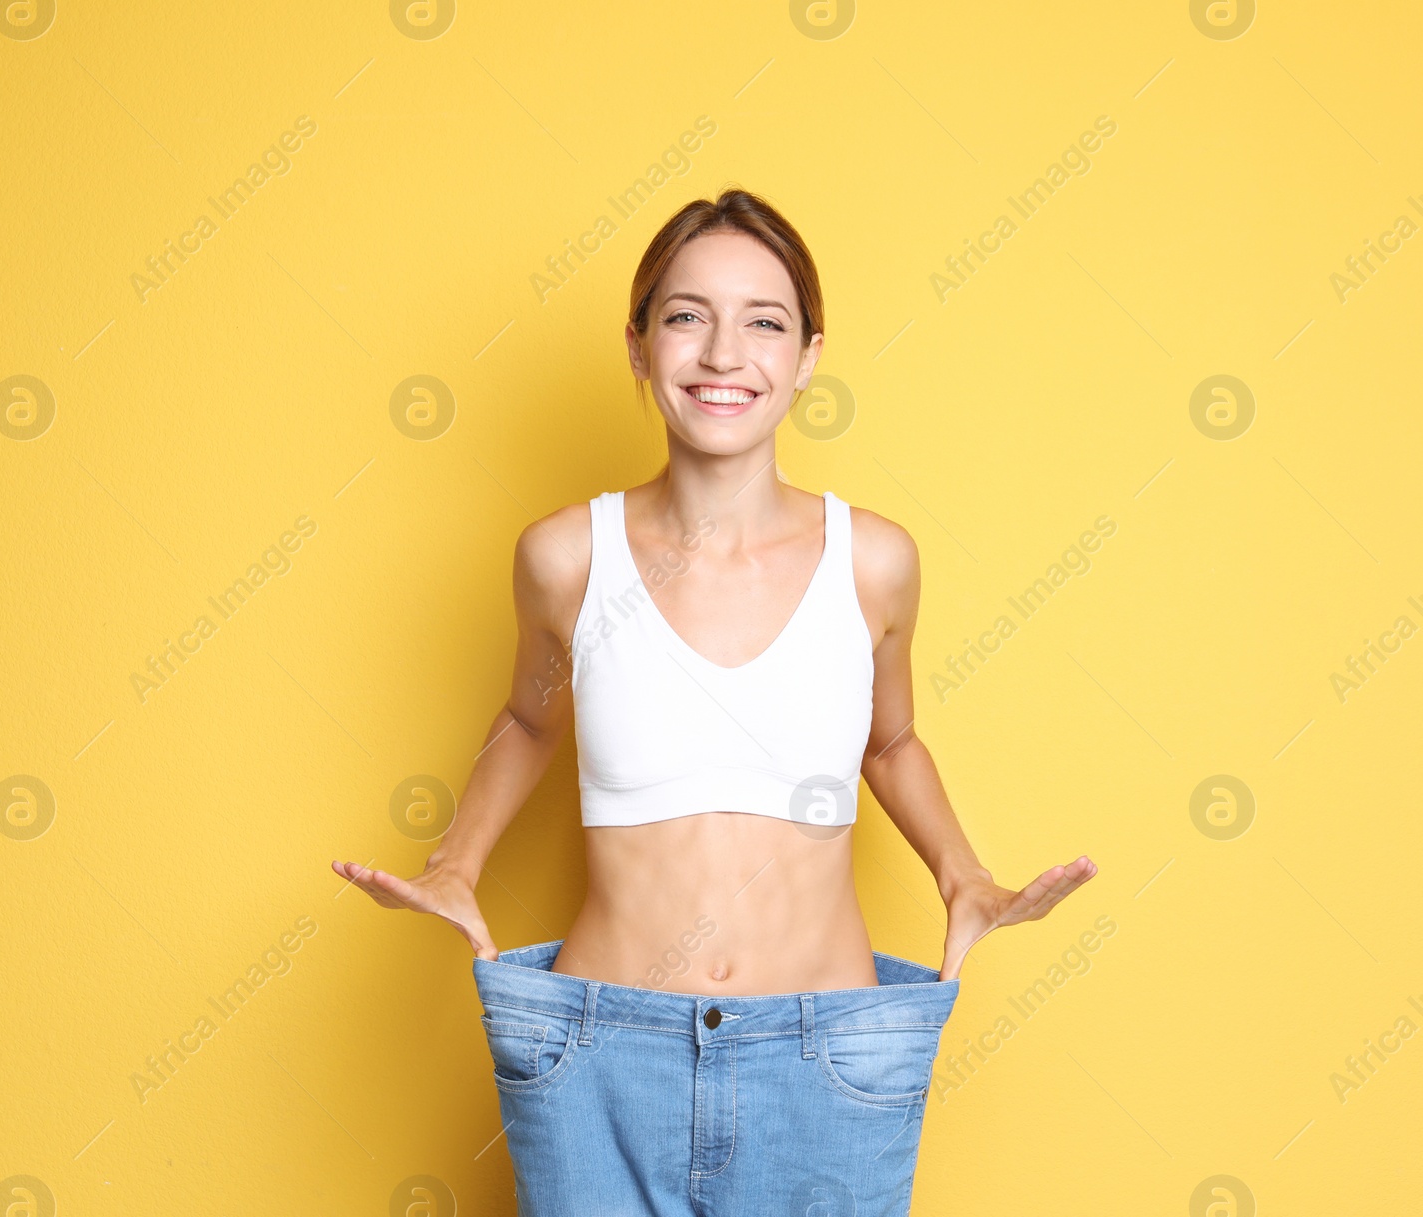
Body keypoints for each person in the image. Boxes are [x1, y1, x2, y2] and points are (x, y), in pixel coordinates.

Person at [334, 187, 1096, 1215]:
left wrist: (965, 876)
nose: (723, 352)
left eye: (764, 321)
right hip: (603, 1055)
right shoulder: (566, 555)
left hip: (826, 1055)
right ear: (640, 348)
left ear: (808, 356)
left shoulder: (873, 561)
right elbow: (528, 716)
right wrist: (454, 861)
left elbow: (894, 737)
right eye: (686, 316)